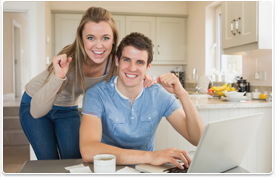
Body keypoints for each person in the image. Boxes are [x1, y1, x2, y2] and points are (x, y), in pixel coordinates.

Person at [19, 7, 156, 160]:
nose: (98, 45)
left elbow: (131, 70)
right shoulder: (69, 60)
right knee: (48, 161)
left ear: (113, 41)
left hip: (67, 108)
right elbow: (36, 111)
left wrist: (144, 76)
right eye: (91, 37)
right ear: (81, 39)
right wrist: (58, 77)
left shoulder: (115, 65)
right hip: (35, 101)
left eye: (105, 38)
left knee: (74, 159)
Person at [80, 32, 205, 169]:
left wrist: (183, 94)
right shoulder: (96, 94)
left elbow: (197, 139)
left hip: (145, 170)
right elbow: (88, 150)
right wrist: (150, 156)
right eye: (127, 60)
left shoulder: (158, 94)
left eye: (140, 62)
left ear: (148, 66)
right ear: (117, 61)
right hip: (109, 169)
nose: (132, 68)